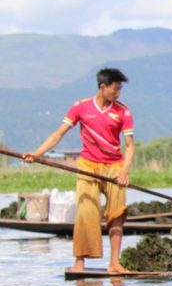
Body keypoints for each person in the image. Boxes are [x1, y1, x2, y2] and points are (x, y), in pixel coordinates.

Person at [24, 68, 135, 273]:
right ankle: (80, 263)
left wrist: (124, 172)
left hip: (114, 168)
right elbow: (59, 134)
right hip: (87, 166)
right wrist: (38, 153)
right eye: (115, 89)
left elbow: (130, 146)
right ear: (103, 87)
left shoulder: (123, 111)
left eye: (120, 90)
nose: (118, 94)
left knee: (116, 214)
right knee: (85, 213)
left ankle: (114, 263)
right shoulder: (80, 107)